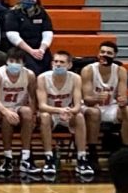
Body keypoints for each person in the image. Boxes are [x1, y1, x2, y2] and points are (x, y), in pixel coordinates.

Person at [37, 50, 92, 178]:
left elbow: (78, 105)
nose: (58, 65)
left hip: (68, 113)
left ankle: (82, 158)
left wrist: (69, 111)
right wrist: (60, 111)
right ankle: (49, 158)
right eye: (55, 62)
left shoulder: (76, 78)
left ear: (69, 65)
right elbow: (42, 106)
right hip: (51, 113)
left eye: (62, 62)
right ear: (51, 64)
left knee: (79, 116)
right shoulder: (42, 78)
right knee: (44, 116)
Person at [0, 48, 37, 176]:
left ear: (23, 64)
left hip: (18, 107)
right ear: (6, 62)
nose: (14, 64)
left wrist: (33, 114)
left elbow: (32, 97)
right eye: (11, 61)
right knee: (8, 117)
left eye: (17, 61)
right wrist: (6, 111)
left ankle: (25, 157)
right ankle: (7, 157)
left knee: (27, 112)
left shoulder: (29, 75)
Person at [82, 41, 128, 153]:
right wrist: (97, 98)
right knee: (94, 113)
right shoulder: (88, 70)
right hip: (91, 107)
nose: (104, 55)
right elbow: (87, 99)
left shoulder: (120, 71)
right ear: (98, 54)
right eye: (102, 52)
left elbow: (123, 96)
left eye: (109, 53)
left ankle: (126, 150)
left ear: (114, 56)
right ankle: (92, 152)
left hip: (110, 106)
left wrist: (123, 100)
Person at [5, 0, 54, 75]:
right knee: (33, 71)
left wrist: (41, 50)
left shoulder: (42, 13)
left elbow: (48, 33)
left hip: (40, 49)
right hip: (21, 49)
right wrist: (31, 51)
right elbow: (12, 35)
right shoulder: (13, 13)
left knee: (47, 70)